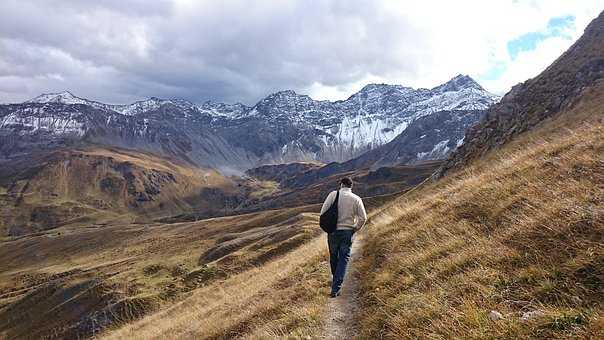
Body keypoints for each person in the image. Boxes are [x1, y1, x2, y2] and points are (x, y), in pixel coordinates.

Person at [320, 177, 367, 298]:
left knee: (334, 257)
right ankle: (336, 286)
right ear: (351, 186)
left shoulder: (333, 195)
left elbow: (323, 212)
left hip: (333, 232)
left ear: (341, 184)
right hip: (347, 232)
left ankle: (335, 284)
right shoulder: (356, 199)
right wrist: (355, 229)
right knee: (344, 258)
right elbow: (363, 218)